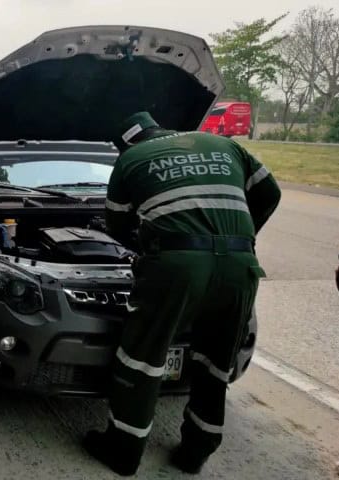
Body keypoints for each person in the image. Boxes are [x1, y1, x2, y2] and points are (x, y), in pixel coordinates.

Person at [83, 111, 281, 476]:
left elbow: (118, 225)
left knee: (142, 356)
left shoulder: (131, 159)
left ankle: (123, 449)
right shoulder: (224, 144)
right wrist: (241, 234)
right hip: (240, 264)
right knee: (216, 360)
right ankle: (197, 450)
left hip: (178, 265)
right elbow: (270, 192)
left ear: (126, 142)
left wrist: (151, 244)